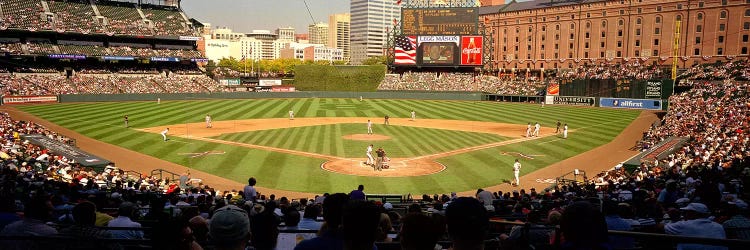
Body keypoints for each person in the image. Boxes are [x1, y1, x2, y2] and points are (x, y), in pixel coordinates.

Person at [663, 203, 728, 250]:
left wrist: (675, 218)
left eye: (685, 212)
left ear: (692, 213)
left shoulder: (684, 225)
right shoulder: (719, 226)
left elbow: (662, 228)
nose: (684, 214)